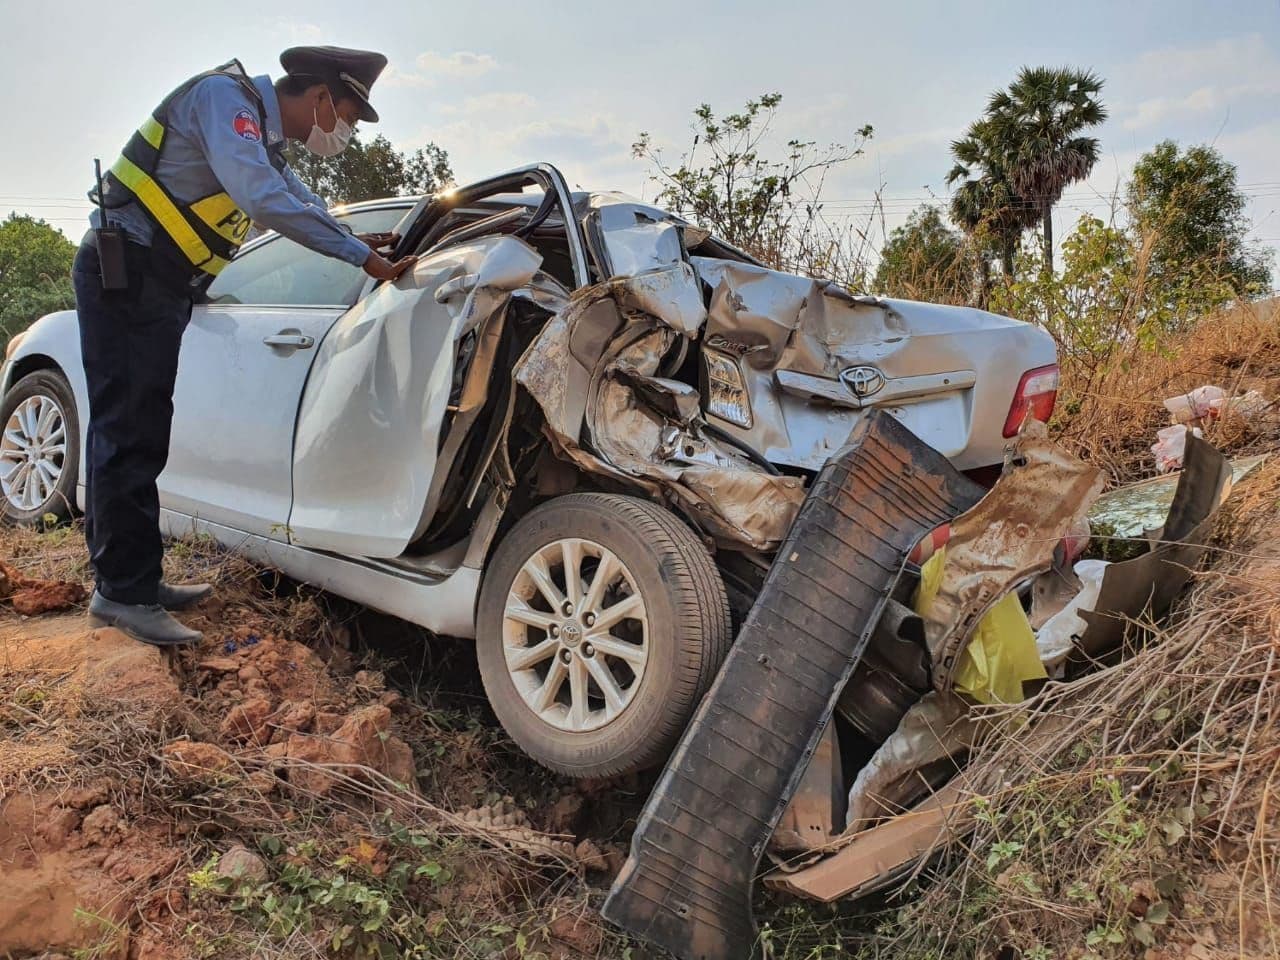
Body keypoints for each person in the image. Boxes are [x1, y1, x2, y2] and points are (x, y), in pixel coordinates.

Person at [72, 46, 418, 647]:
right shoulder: (225, 101)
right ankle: (122, 593)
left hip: (155, 282)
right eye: (345, 117)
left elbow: (302, 200)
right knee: (128, 430)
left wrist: (358, 237)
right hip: (126, 272)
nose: (341, 133)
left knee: (140, 427)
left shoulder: (260, 135)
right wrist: (363, 258)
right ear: (317, 97)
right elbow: (263, 199)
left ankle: (132, 580)